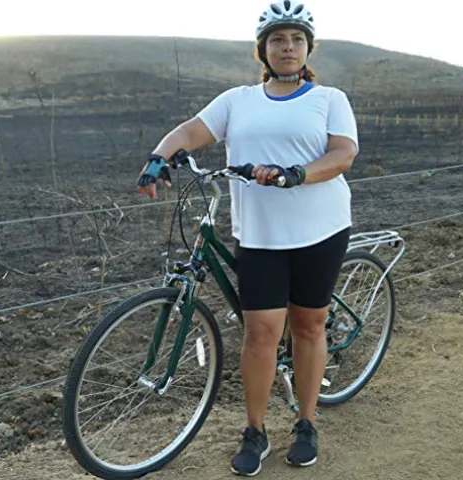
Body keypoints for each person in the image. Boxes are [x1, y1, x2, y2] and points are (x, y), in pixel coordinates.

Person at [137, 0, 359, 476]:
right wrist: (158, 157)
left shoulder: (329, 99)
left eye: (296, 39)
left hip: (320, 229)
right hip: (259, 234)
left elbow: (342, 155)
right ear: (263, 50)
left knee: (309, 327)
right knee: (260, 334)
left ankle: (305, 422)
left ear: (308, 48)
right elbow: (191, 131)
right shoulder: (237, 100)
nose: (287, 47)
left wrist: (296, 173)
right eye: (278, 39)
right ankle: (255, 431)